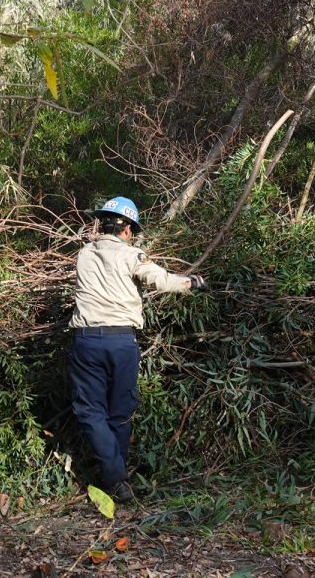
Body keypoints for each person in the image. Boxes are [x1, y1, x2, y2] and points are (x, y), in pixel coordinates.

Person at [69, 196, 205, 503]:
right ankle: (118, 479)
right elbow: (161, 281)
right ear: (127, 228)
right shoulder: (131, 255)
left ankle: (115, 478)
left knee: (91, 411)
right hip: (122, 342)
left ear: (100, 223)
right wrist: (192, 283)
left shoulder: (84, 255)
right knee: (120, 413)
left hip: (87, 341)